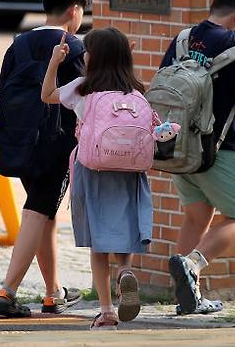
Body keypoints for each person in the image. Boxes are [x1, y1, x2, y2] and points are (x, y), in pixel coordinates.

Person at [159, 0, 235, 314]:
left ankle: (188, 298)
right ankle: (192, 264)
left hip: (178, 147)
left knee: (196, 216)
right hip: (221, 148)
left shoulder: (183, 39)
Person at [41, 28, 153, 331]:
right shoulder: (136, 92)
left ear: (95, 57)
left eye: (87, 51)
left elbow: (47, 95)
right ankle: (126, 271)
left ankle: (106, 311)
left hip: (93, 169)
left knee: (98, 243)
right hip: (130, 172)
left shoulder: (83, 89)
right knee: (124, 229)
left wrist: (54, 61)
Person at [0, 0, 88, 317]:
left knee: (43, 214)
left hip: (18, 142)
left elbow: (2, 92)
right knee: (37, 213)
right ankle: (7, 291)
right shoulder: (73, 48)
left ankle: (53, 292)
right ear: (74, 10)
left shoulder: (17, 45)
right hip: (55, 147)